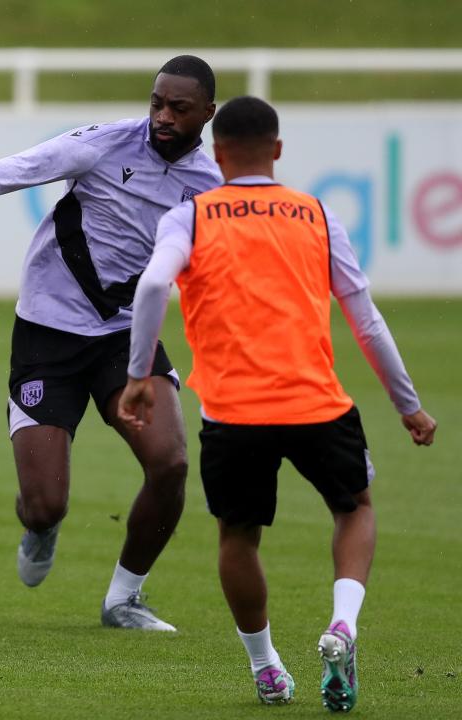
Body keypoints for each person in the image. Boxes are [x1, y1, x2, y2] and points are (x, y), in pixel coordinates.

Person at [0, 56, 221, 631]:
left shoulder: (211, 185)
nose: (163, 116)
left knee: (171, 465)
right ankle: (40, 525)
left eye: (178, 108)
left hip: (127, 337)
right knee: (47, 503)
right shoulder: (103, 145)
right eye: (156, 103)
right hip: (47, 336)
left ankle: (125, 597)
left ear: (207, 114)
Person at [119, 95, 437, 707]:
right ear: (279, 150)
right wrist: (408, 405)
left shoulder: (193, 215)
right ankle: (343, 624)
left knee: (238, 538)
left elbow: (155, 282)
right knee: (356, 508)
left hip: (235, 414)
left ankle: (266, 667)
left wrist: (139, 373)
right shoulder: (316, 213)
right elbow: (365, 318)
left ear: (217, 154)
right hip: (318, 405)